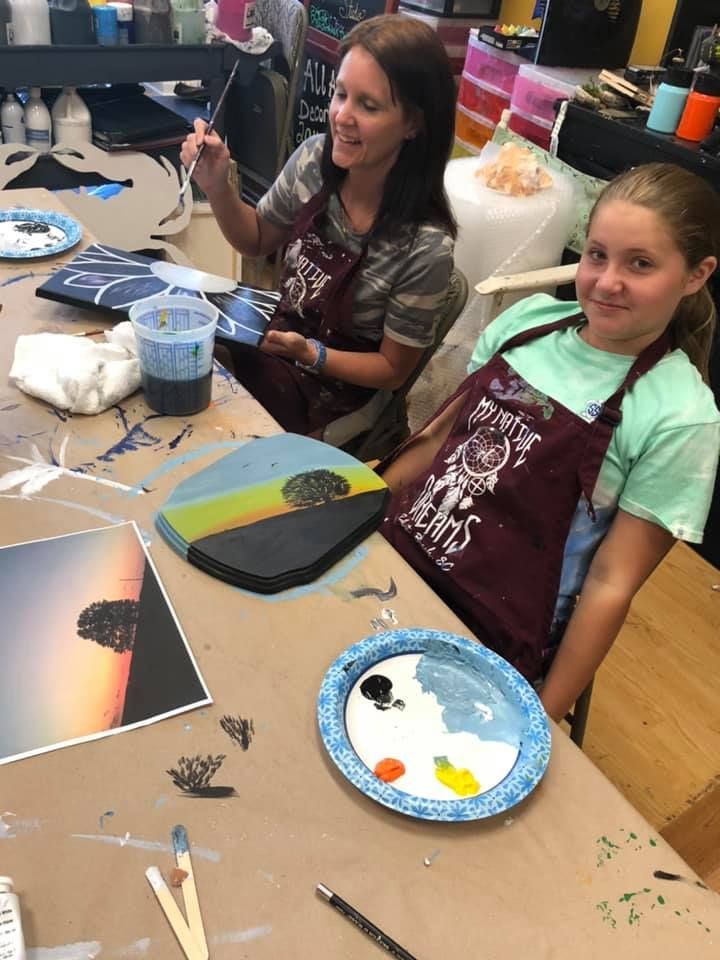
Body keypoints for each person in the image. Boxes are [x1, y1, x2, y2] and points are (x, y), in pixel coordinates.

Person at [378, 162, 720, 722]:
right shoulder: (528, 322)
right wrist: (353, 512)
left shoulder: (679, 416)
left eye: (640, 264)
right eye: (596, 254)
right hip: (400, 558)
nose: (607, 282)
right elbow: (436, 441)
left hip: (491, 634)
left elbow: (611, 584)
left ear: (695, 274)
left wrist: (547, 717)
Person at [179, 15, 457, 435]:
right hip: (281, 348)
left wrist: (312, 354)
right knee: (180, 362)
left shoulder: (425, 246)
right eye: (341, 94)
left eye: (369, 105)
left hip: (340, 393)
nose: (342, 116)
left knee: (213, 433)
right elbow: (255, 240)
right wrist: (217, 186)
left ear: (414, 123)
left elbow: (391, 370)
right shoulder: (313, 161)